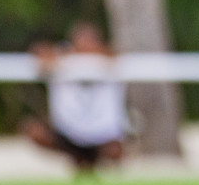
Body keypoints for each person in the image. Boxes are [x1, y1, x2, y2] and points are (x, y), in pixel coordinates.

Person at [22, 22, 129, 174]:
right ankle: (79, 158)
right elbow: (40, 52)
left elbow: (118, 56)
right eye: (82, 41)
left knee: (116, 150)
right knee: (34, 130)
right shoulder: (62, 58)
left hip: (103, 134)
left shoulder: (109, 58)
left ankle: (93, 160)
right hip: (69, 133)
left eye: (90, 40)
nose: (86, 46)